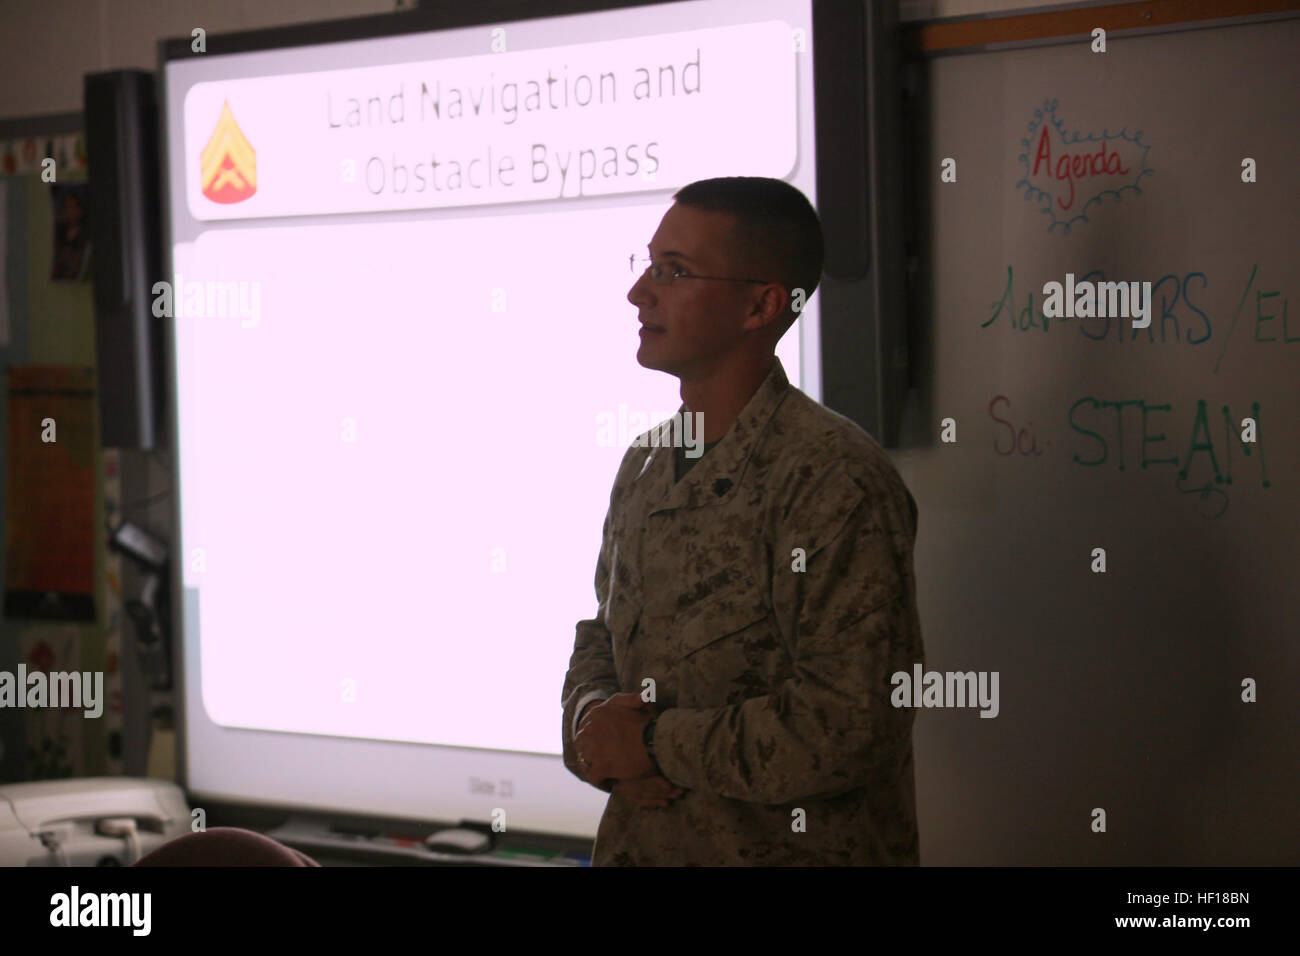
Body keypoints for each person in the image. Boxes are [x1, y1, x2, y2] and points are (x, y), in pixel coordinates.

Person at [561, 176, 925, 865]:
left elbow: (850, 726)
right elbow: (601, 638)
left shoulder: (833, 480)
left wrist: (648, 744)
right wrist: (590, 723)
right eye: (648, 266)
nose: (640, 293)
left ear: (761, 304)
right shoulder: (646, 463)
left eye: (674, 272)